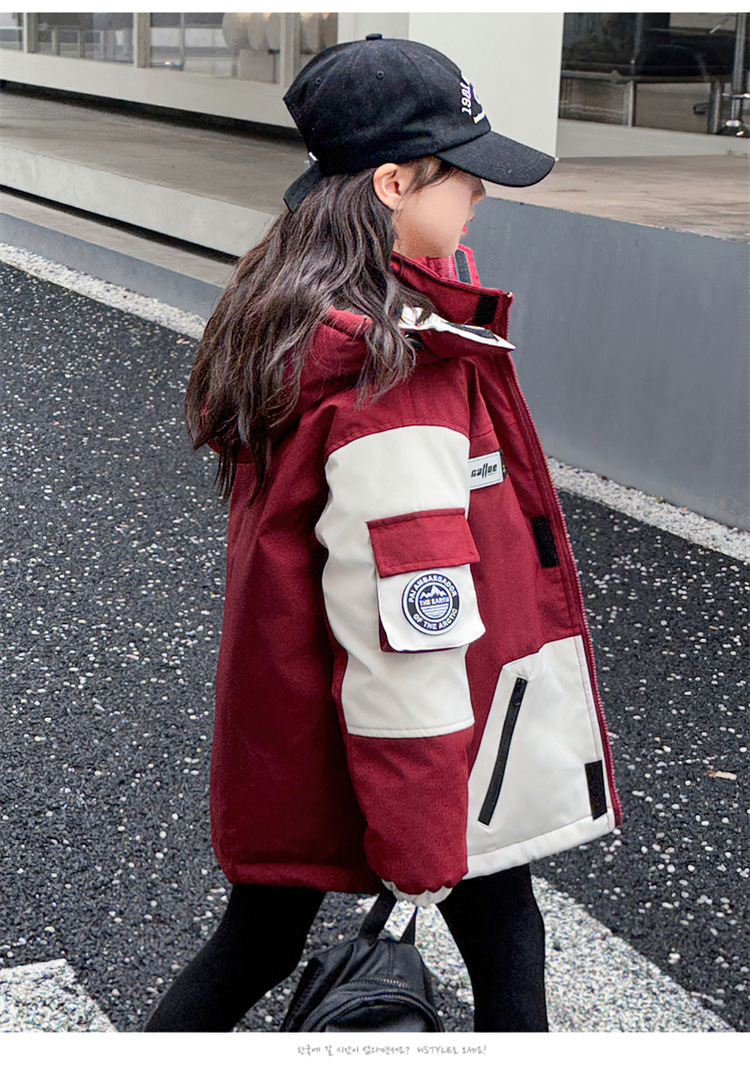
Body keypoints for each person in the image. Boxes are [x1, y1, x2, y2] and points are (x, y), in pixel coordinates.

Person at [144, 35, 621, 1034]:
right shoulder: (393, 378)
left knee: (262, 939)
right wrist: (418, 846)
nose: (482, 192)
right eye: (465, 173)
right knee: (505, 939)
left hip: (305, 716)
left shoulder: (300, 306)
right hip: (416, 744)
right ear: (395, 184)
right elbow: (410, 630)